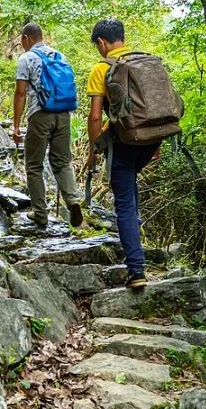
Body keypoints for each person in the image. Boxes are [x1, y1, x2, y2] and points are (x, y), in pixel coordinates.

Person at [85, 19, 158, 289]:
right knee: (130, 190)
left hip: (125, 142)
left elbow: (95, 117)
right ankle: (137, 245)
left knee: (124, 203)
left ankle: (136, 271)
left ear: (102, 43)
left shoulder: (102, 68)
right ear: (123, 38)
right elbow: (155, 107)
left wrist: (94, 150)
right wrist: (156, 143)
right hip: (150, 140)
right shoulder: (145, 62)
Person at [12, 22, 83, 228]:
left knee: (34, 165)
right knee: (62, 161)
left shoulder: (26, 58)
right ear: (41, 37)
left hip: (40, 114)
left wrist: (16, 126)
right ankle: (73, 200)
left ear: (26, 38)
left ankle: (40, 213)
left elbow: (20, 93)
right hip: (63, 115)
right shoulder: (59, 56)